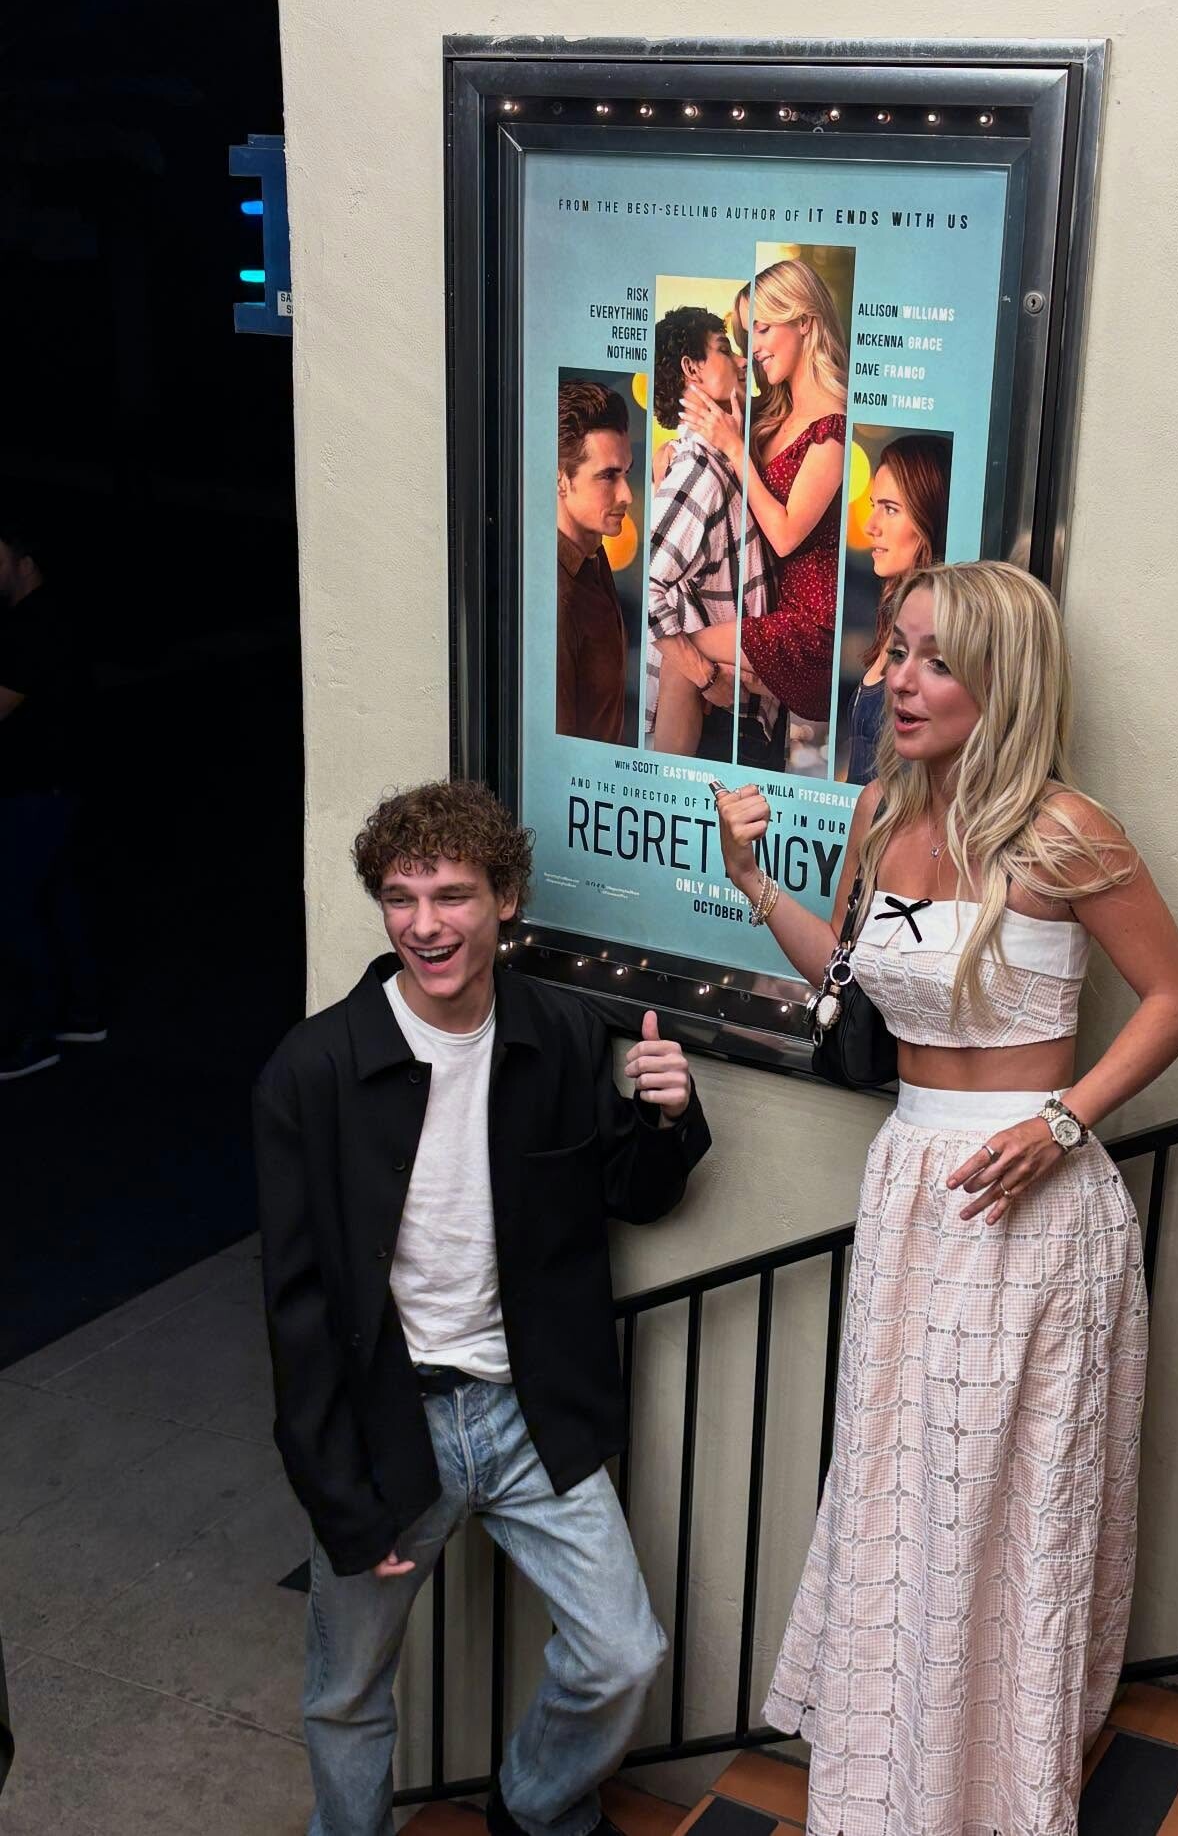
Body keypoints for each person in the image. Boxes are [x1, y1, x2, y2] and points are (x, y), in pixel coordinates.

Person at [714, 563, 1178, 1836]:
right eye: (898, 652)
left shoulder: (1065, 832)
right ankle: (894, 1784)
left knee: (1003, 1498)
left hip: (1029, 1207)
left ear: (1004, 678)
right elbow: (846, 978)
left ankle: (993, 1794)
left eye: (935, 660)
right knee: (903, 1486)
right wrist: (753, 883)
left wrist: (1064, 1118)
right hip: (911, 1189)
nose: (899, 680)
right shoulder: (881, 808)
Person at [254, 779, 711, 1836]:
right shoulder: (313, 1070)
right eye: (401, 897)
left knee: (622, 1653)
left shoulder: (560, 1031)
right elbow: (297, 1308)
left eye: (452, 894)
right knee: (346, 1690)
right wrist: (337, 1493)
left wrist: (665, 1117)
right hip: (387, 1423)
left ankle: (537, 1808)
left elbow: (634, 1195)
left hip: (526, 1410)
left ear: (506, 899)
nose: (425, 925)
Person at [671, 259, 849, 767]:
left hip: (811, 628)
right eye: (748, 336)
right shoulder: (771, 412)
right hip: (764, 607)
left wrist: (735, 448)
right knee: (700, 668)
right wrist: (676, 451)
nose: (754, 349)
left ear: (805, 322)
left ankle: (661, 782)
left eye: (764, 329)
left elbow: (785, 536)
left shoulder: (835, 425)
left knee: (679, 648)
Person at [645, 304, 785, 767]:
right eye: (725, 350)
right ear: (692, 369)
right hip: (720, 722)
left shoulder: (718, 460)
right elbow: (648, 587)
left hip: (737, 714)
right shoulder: (698, 471)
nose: (743, 361)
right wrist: (705, 676)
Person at [0, 527, 104, 1081]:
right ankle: (81, 1015)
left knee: (14, 908)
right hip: (54, 787)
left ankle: (34, 1035)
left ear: (25, 561)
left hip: (35, 791)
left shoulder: (33, 624)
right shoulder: (49, 617)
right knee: (54, 901)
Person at [845, 434, 952, 788]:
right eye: (874, 505)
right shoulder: (896, 617)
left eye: (890, 509)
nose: (870, 526)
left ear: (928, 518)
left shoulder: (939, 630)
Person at [556, 381, 634, 743]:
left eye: (626, 472)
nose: (626, 494)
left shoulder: (594, 557)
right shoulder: (556, 598)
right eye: (608, 476)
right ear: (561, 479)